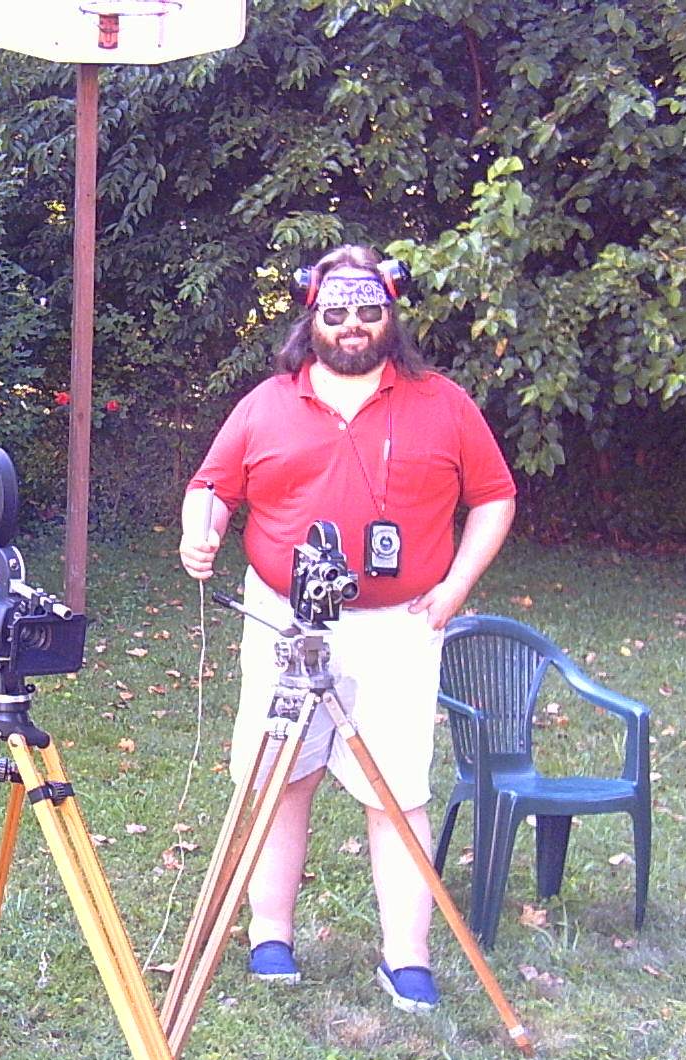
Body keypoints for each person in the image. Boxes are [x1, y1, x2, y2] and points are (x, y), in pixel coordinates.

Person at [178, 246, 517, 1012]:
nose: (353, 324)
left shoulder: (444, 403)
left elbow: (495, 496)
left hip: (398, 625)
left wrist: (457, 585)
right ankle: (270, 935)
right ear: (312, 316)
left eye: (369, 310)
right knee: (279, 779)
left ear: (390, 314)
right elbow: (212, 486)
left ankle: (407, 957)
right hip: (283, 619)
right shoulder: (266, 403)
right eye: (337, 312)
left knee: (396, 789)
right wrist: (202, 530)